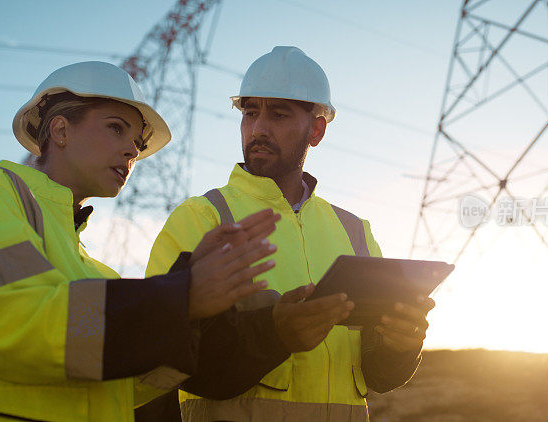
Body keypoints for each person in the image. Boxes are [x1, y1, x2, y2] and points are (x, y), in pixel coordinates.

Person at [0, 61, 279, 421]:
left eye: (138, 140)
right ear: (61, 131)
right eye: (117, 128)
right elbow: (16, 323)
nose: (133, 150)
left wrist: (197, 317)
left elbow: (123, 389)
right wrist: (181, 295)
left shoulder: (99, 273)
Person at [145, 46, 436, 421]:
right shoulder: (202, 218)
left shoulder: (355, 232)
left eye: (279, 114)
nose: (259, 128)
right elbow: (160, 358)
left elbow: (378, 375)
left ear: (316, 130)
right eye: (250, 113)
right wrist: (274, 335)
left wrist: (402, 345)